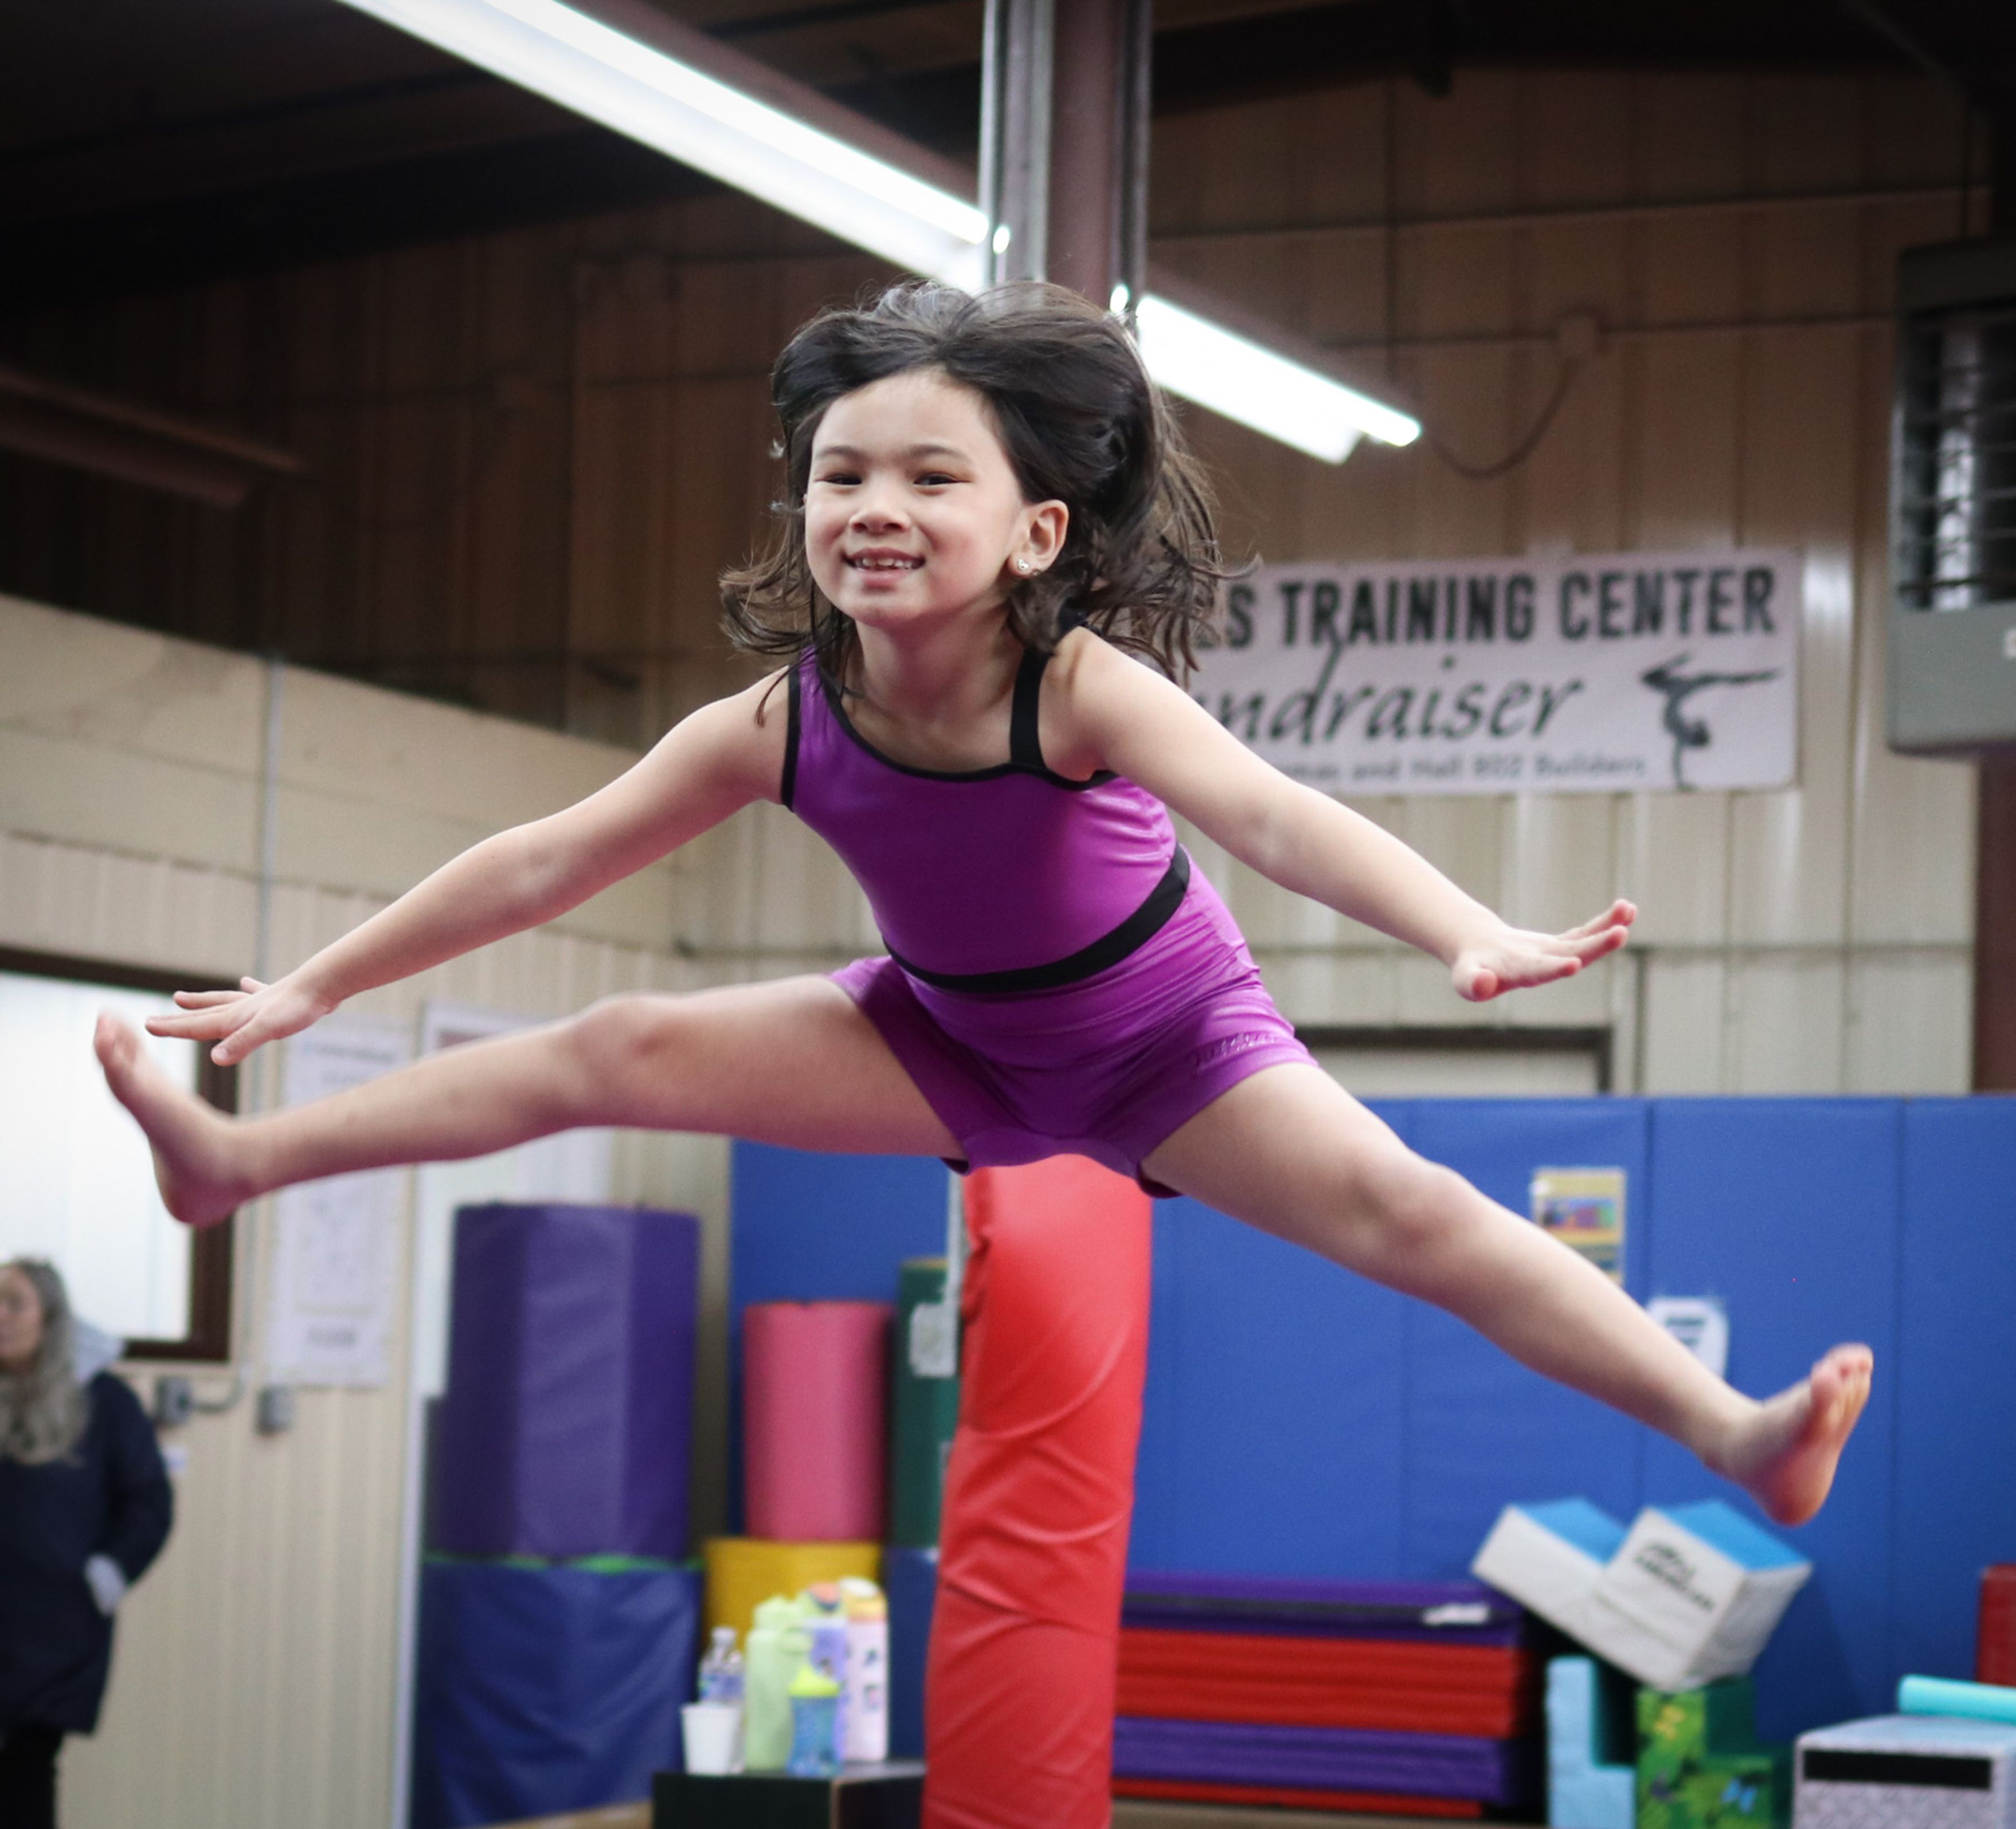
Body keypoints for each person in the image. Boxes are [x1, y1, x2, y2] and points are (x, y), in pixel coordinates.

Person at [91, 279, 1870, 1793]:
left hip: (1169, 1043)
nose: (874, 502)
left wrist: (1461, 926)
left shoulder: (1075, 684)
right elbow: (547, 858)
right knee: (614, 1040)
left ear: (1034, 531)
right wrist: (318, 982)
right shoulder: (782, 719)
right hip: (940, 1034)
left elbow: (1273, 813)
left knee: (1415, 1215)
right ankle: (238, 1161)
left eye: (931, 474)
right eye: (840, 471)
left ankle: (1734, 1432)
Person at [0, 1258, 174, 1829]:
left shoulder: (104, 1400)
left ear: (50, 1318)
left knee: (24, 1774)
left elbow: (148, 1499)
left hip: (52, 1629)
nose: (1, 1316)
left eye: (15, 1303)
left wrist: (109, 1571)